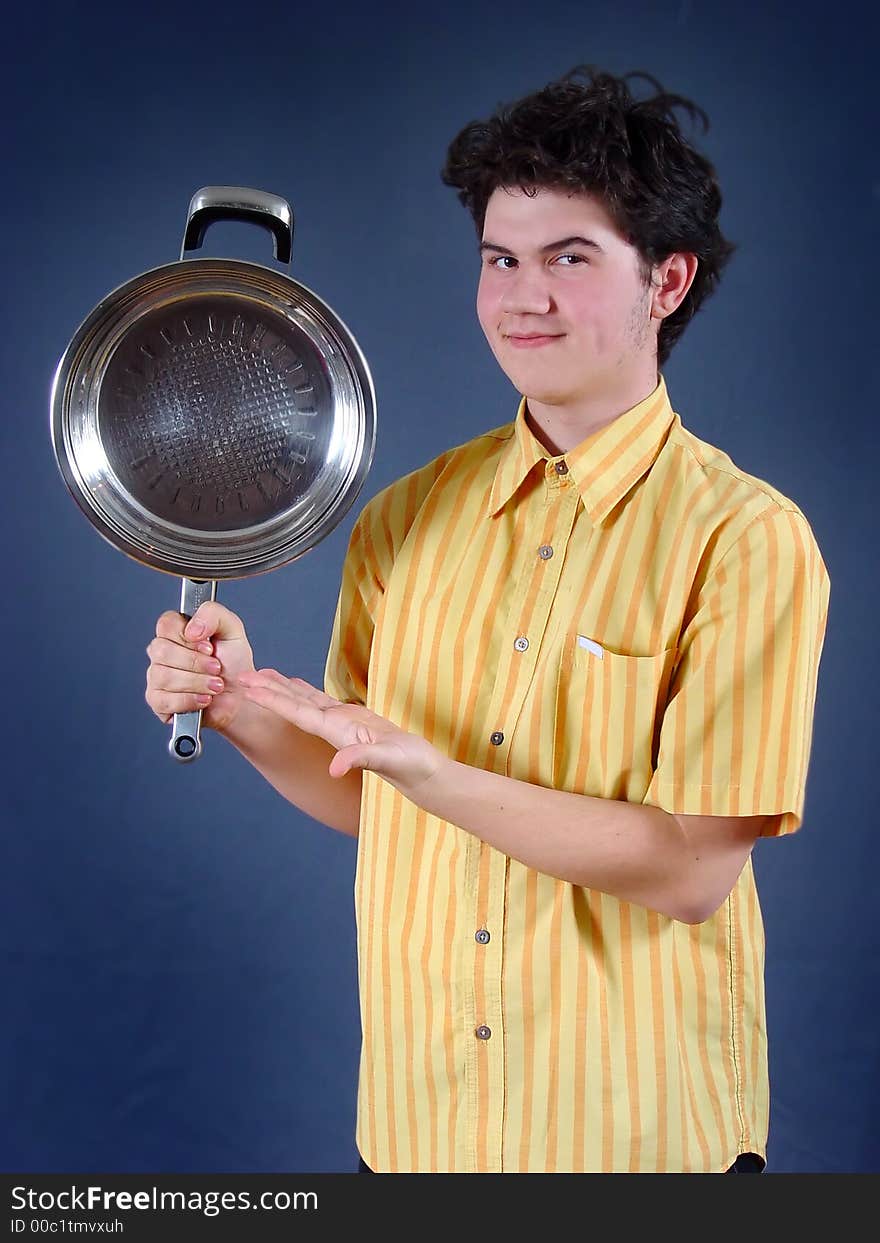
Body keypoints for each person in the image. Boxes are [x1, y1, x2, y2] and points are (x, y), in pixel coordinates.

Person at [144, 66, 830, 1173]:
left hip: (631, 1149)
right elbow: (373, 794)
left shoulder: (745, 538)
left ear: (666, 281)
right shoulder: (404, 519)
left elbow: (691, 868)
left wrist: (429, 770)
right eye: (500, 260)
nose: (522, 298)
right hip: (415, 1137)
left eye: (569, 258)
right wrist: (240, 710)